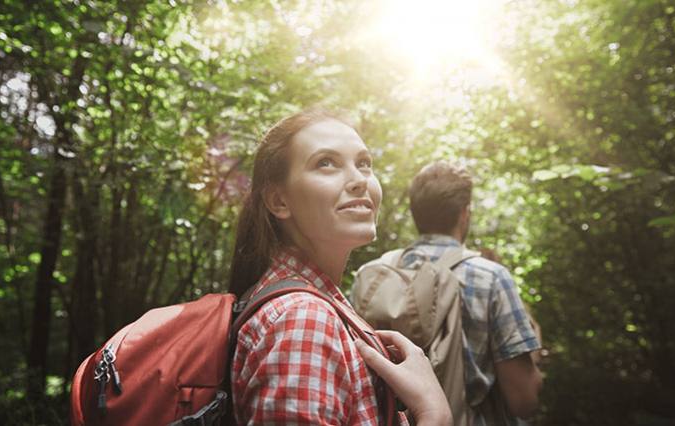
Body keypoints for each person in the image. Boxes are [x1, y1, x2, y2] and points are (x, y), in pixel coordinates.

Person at [228, 110, 451, 426]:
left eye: (363, 164)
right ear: (279, 201)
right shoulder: (303, 318)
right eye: (326, 163)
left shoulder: (302, 305)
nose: (360, 180)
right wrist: (434, 414)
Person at [368, 161, 544, 425]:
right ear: (465, 213)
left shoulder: (372, 274)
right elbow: (524, 400)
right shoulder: (491, 277)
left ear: (416, 213)